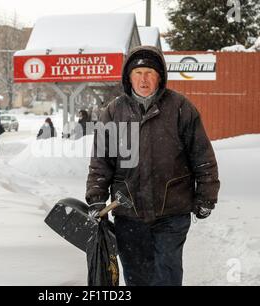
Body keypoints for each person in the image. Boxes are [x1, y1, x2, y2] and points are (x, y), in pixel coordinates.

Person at [85, 46, 220, 286]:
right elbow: (101, 160)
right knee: (137, 277)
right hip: (128, 211)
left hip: (172, 212)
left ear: (160, 76)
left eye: (150, 72)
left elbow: (203, 157)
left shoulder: (181, 108)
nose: (144, 79)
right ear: (129, 77)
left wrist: (206, 197)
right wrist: (96, 197)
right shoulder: (114, 112)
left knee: (166, 275)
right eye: (138, 73)